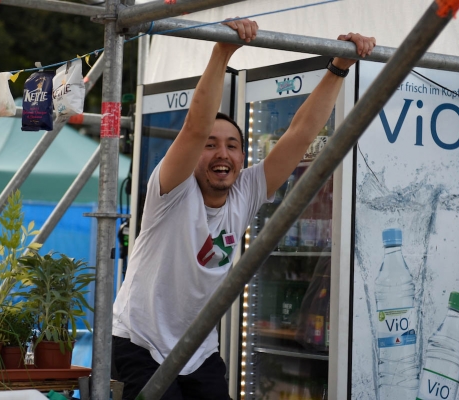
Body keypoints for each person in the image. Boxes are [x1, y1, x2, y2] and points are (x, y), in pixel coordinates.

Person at [112, 18, 376, 400]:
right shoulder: (172, 189)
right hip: (141, 343)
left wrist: (338, 68)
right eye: (210, 145)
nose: (222, 153)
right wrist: (223, 52)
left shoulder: (246, 190)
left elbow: (301, 134)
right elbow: (194, 127)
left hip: (197, 350)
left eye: (232, 146)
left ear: (242, 157)